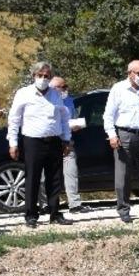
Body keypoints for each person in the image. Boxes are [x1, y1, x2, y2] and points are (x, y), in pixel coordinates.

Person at [7, 61, 73, 228]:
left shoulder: (56, 94)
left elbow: (64, 118)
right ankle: (30, 214)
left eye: (47, 76)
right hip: (32, 141)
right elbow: (14, 119)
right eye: (40, 76)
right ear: (34, 76)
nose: (43, 79)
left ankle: (54, 213)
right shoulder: (23, 93)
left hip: (54, 140)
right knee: (32, 178)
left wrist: (66, 139)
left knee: (55, 178)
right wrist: (13, 143)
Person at [103, 60, 139, 222]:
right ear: (130, 73)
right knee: (123, 175)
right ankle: (123, 210)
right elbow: (108, 115)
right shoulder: (118, 89)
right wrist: (112, 135)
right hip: (124, 135)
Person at [51, 76, 90, 213]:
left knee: (71, 172)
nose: (66, 89)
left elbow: (71, 118)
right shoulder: (46, 100)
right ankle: (46, 205)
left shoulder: (69, 100)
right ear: (54, 88)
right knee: (47, 175)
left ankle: (74, 204)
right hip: (50, 141)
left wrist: (75, 125)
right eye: (63, 87)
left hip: (67, 141)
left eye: (66, 86)